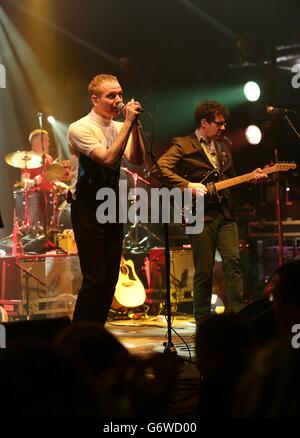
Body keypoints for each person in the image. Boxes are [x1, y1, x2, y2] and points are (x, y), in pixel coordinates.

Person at [151, 100, 266, 327]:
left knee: (233, 262)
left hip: (225, 215)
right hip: (199, 216)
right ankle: (202, 322)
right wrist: (188, 185)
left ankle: (240, 318)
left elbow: (230, 181)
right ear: (204, 122)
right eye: (219, 123)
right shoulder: (183, 144)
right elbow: (159, 169)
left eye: (224, 123)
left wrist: (250, 178)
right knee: (204, 269)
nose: (223, 127)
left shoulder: (223, 148)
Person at [67, 73, 145, 323]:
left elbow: (138, 158)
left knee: (110, 280)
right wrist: (127, 124)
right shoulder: (80, 128)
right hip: (88, 206)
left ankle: (95, 336)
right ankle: (77, 340)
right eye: (111, 95)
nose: (118, 100)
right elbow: (109, 158)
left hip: (112, 205)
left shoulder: (119, 127)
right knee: (95, 279)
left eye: (120, 94)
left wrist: (134, 126)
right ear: (95, 99)